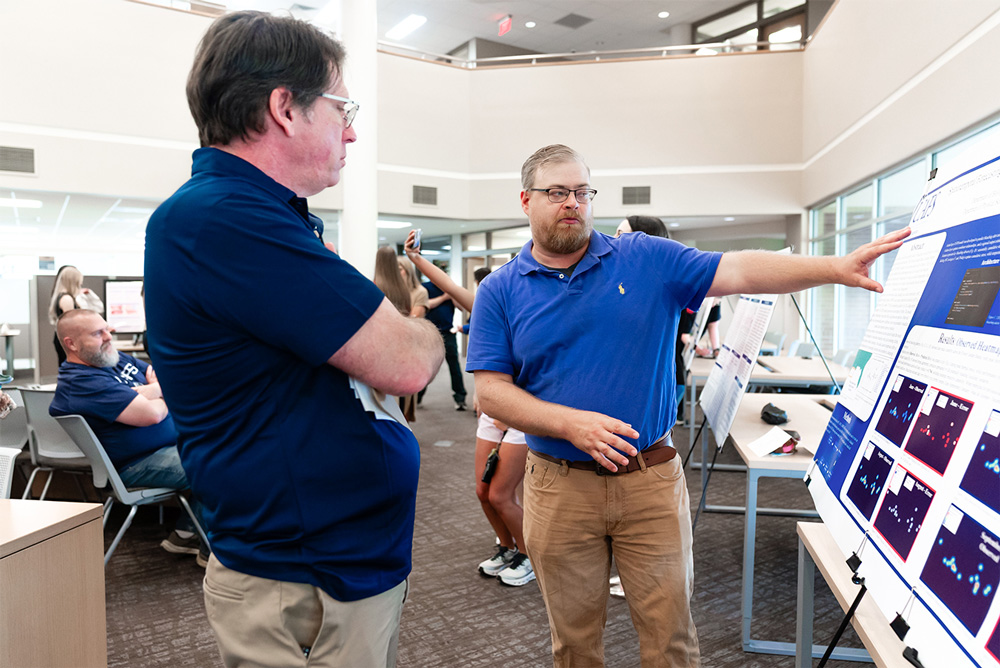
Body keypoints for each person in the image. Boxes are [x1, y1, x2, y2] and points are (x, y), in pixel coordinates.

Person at [466, 143, 909, 667]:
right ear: (526, 200)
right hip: (559, 485)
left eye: (583, 192)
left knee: (670, 638)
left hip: (648, 480)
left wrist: (835, 267)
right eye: (557, 192)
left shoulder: (644, 257)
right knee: (574, 643)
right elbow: (491, 391)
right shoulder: (500, 289)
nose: (573, 203)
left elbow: (740, 270)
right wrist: (570, 425)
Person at [143, 12, 443, 668]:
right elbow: (408, 361)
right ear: (284, 107)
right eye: (342, 107)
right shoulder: (228, 222)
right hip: (304, 576)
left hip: (325, 564)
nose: (353, 130)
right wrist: (421, 325)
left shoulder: (253, 220)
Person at [403, 237, 533, 585]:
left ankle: (527, 554)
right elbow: (451, 288)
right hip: (493, 412)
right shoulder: (492, 303)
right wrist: (416, 258)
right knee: (483, 491)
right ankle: (506, 546)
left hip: (524, 413)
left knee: (501, 494)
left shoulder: (542, 313)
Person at [47, 309, 206, 562]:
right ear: (72, 344)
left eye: (107, 329)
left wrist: (146, 391)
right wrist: (160, 391)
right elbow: (152, 414)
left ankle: (185, 534)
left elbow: (164, 375)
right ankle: (211, 553)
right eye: (98, 333)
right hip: (136, 464)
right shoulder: (80, 381)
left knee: (224, 450)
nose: (109, 337)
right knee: (216, 465)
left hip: (170, 447)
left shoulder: (112, 358)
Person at [418, 264, 468, 411]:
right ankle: (417, 396)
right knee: (426, 368)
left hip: (447, 333)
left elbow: (461, 306)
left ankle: (460, 398)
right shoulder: (424, 288)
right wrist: (443, 297)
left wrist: (452, 294)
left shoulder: (450, 288)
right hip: (428, 334)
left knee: (454, 367)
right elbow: (427, 305)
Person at [48, 265, 104, 365]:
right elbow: (71, 324)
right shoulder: (66, 299)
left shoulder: (63, 296)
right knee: (71, 367)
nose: (80, 284)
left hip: (66, 339)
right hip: (68, 340)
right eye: (78, 282)